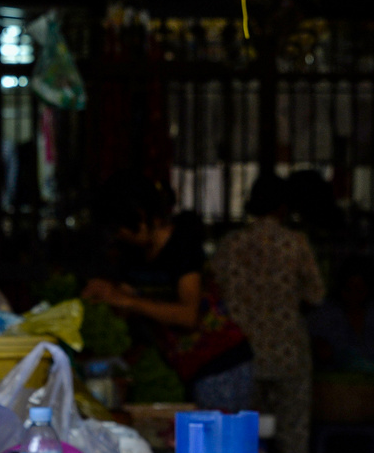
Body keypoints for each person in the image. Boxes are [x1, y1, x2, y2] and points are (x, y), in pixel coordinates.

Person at [84, 176, 253, 411]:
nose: (118, 235)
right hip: (186, 367)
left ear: (141, 217)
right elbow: (125, 308)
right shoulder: (133, 253)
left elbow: (188, 316)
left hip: (221, 365)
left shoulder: (182, 246)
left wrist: (126, 300)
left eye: (118, 227)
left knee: (216, 442)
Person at [210, 173, 326, 453]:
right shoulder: (294, 243)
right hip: (288, 350)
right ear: (283, 207)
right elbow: (316, 295)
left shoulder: (231, 244)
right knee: (294, 436)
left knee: (241, 434)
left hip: (241, 352)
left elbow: (211, 294)